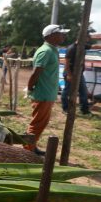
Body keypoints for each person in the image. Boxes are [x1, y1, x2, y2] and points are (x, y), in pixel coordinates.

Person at [25, 24, 69, 155]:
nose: (63, 36)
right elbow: (36, 72)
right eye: (60, 33)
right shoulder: (46, 51)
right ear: (51, 35)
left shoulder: (52, 50)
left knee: (40, 123)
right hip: (43, 94)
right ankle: (27, 151)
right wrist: (29, 88)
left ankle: (31, 146)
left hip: (47, 93)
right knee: (37, 124)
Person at [62, 37, 101, 114]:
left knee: (83, 92)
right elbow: (66, 63)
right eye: (86, 38)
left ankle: (84, 110)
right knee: (67, 91)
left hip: (79, 74)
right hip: (70, 73)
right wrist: (69, 75)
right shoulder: (72, 48)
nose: (87, 40)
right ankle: (65, 109)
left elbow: (97, 46)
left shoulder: (83, 46)